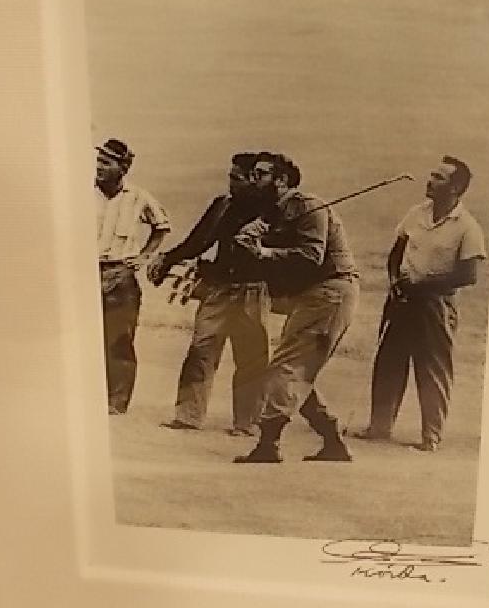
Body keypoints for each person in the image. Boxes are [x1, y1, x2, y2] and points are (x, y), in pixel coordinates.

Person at [232, 152, 359, 464]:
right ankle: (332, 442)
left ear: (282, 180)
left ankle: (268, 445)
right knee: (298, 367)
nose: (253, 180)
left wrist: (262, 252)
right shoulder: (277, 210)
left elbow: (309, 256)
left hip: (330, 292)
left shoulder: (302, 203)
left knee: (287, 366)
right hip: (317, 296)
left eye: (261, 175)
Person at [356, 155, 486, 451]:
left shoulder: (467, 227)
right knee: (389, 360)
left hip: (435, 305)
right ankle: (379, 426)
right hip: (402, 299)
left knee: (432, 368)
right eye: (432, 175)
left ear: (455, 188)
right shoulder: (416, 213)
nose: (430, 181)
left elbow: (467, 276)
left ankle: (431, 436)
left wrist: (422, 286)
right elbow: (396, 252)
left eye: (439, 178)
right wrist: (395, 283)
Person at [147, 153, 270, 436]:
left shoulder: (272, 210)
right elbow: (198, 242)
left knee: (251, 357)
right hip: (218, 289)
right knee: (201, 350)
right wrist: (167, 260)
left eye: (236, 179)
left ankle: (247, 423)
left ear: (254, 180)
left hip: (254, 289)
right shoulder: (222, 205)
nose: (231, 184)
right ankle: (188, 416)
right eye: (230, 177)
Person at [96, 138, 171, 415]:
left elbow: (162, 227)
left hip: (120, 276)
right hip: (83, 274)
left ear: (123, 167)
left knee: (119, 339)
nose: (99, 168)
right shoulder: (81, 192)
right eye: (98, 161)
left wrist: (142, 258)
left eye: (106, 163)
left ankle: (116, 403)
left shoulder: (139, 197)